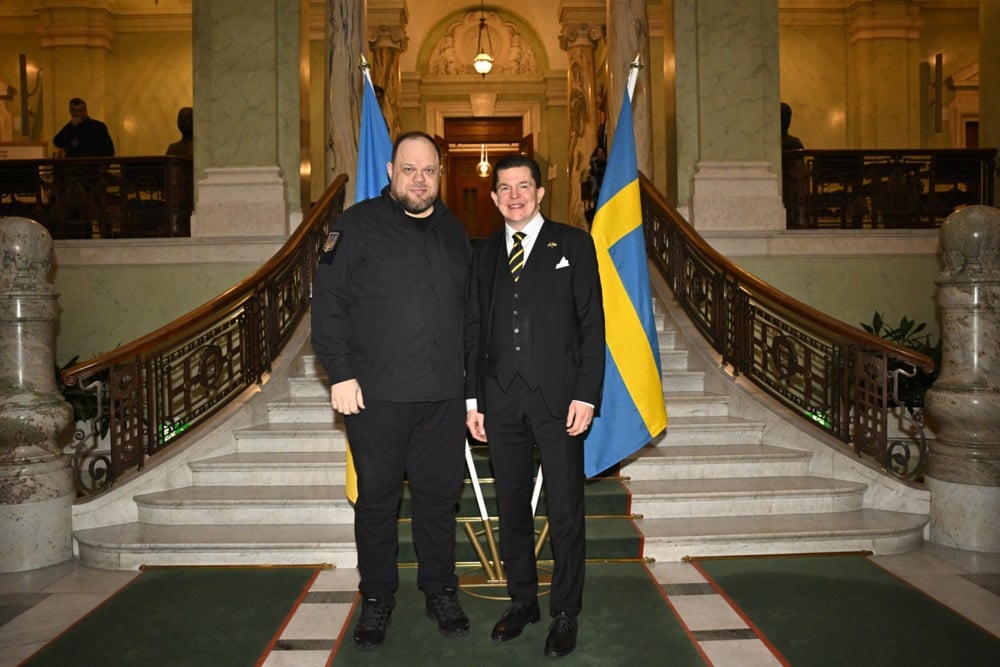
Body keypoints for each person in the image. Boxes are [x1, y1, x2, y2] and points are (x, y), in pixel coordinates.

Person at [311, 131, 472, 651]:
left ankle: (440, 592)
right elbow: (328, 304)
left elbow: (469, 317)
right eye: (409, 169)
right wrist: (340, 372)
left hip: (443, 398)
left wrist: (470, 393)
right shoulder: (355, 226)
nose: (419, 180)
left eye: (428, 171)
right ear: (389, 170)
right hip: (374, 397)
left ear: (439, 175)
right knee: (377, 504)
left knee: (437, 502)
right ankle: (377, 598)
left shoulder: (455, 231)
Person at [465, 154, 605, 659]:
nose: (514, 196)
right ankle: (522, 601)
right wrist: (473, 399)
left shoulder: (572, 244)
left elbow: (592, 326)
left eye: (524, 186)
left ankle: (565, 611)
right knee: (512, 509)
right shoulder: (482, 256)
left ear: (541, 192)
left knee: (565, 510)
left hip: (560, 400)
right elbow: (474, 330)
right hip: (500, 400)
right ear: (496, 196)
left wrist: (587, 393)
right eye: (504, 188)